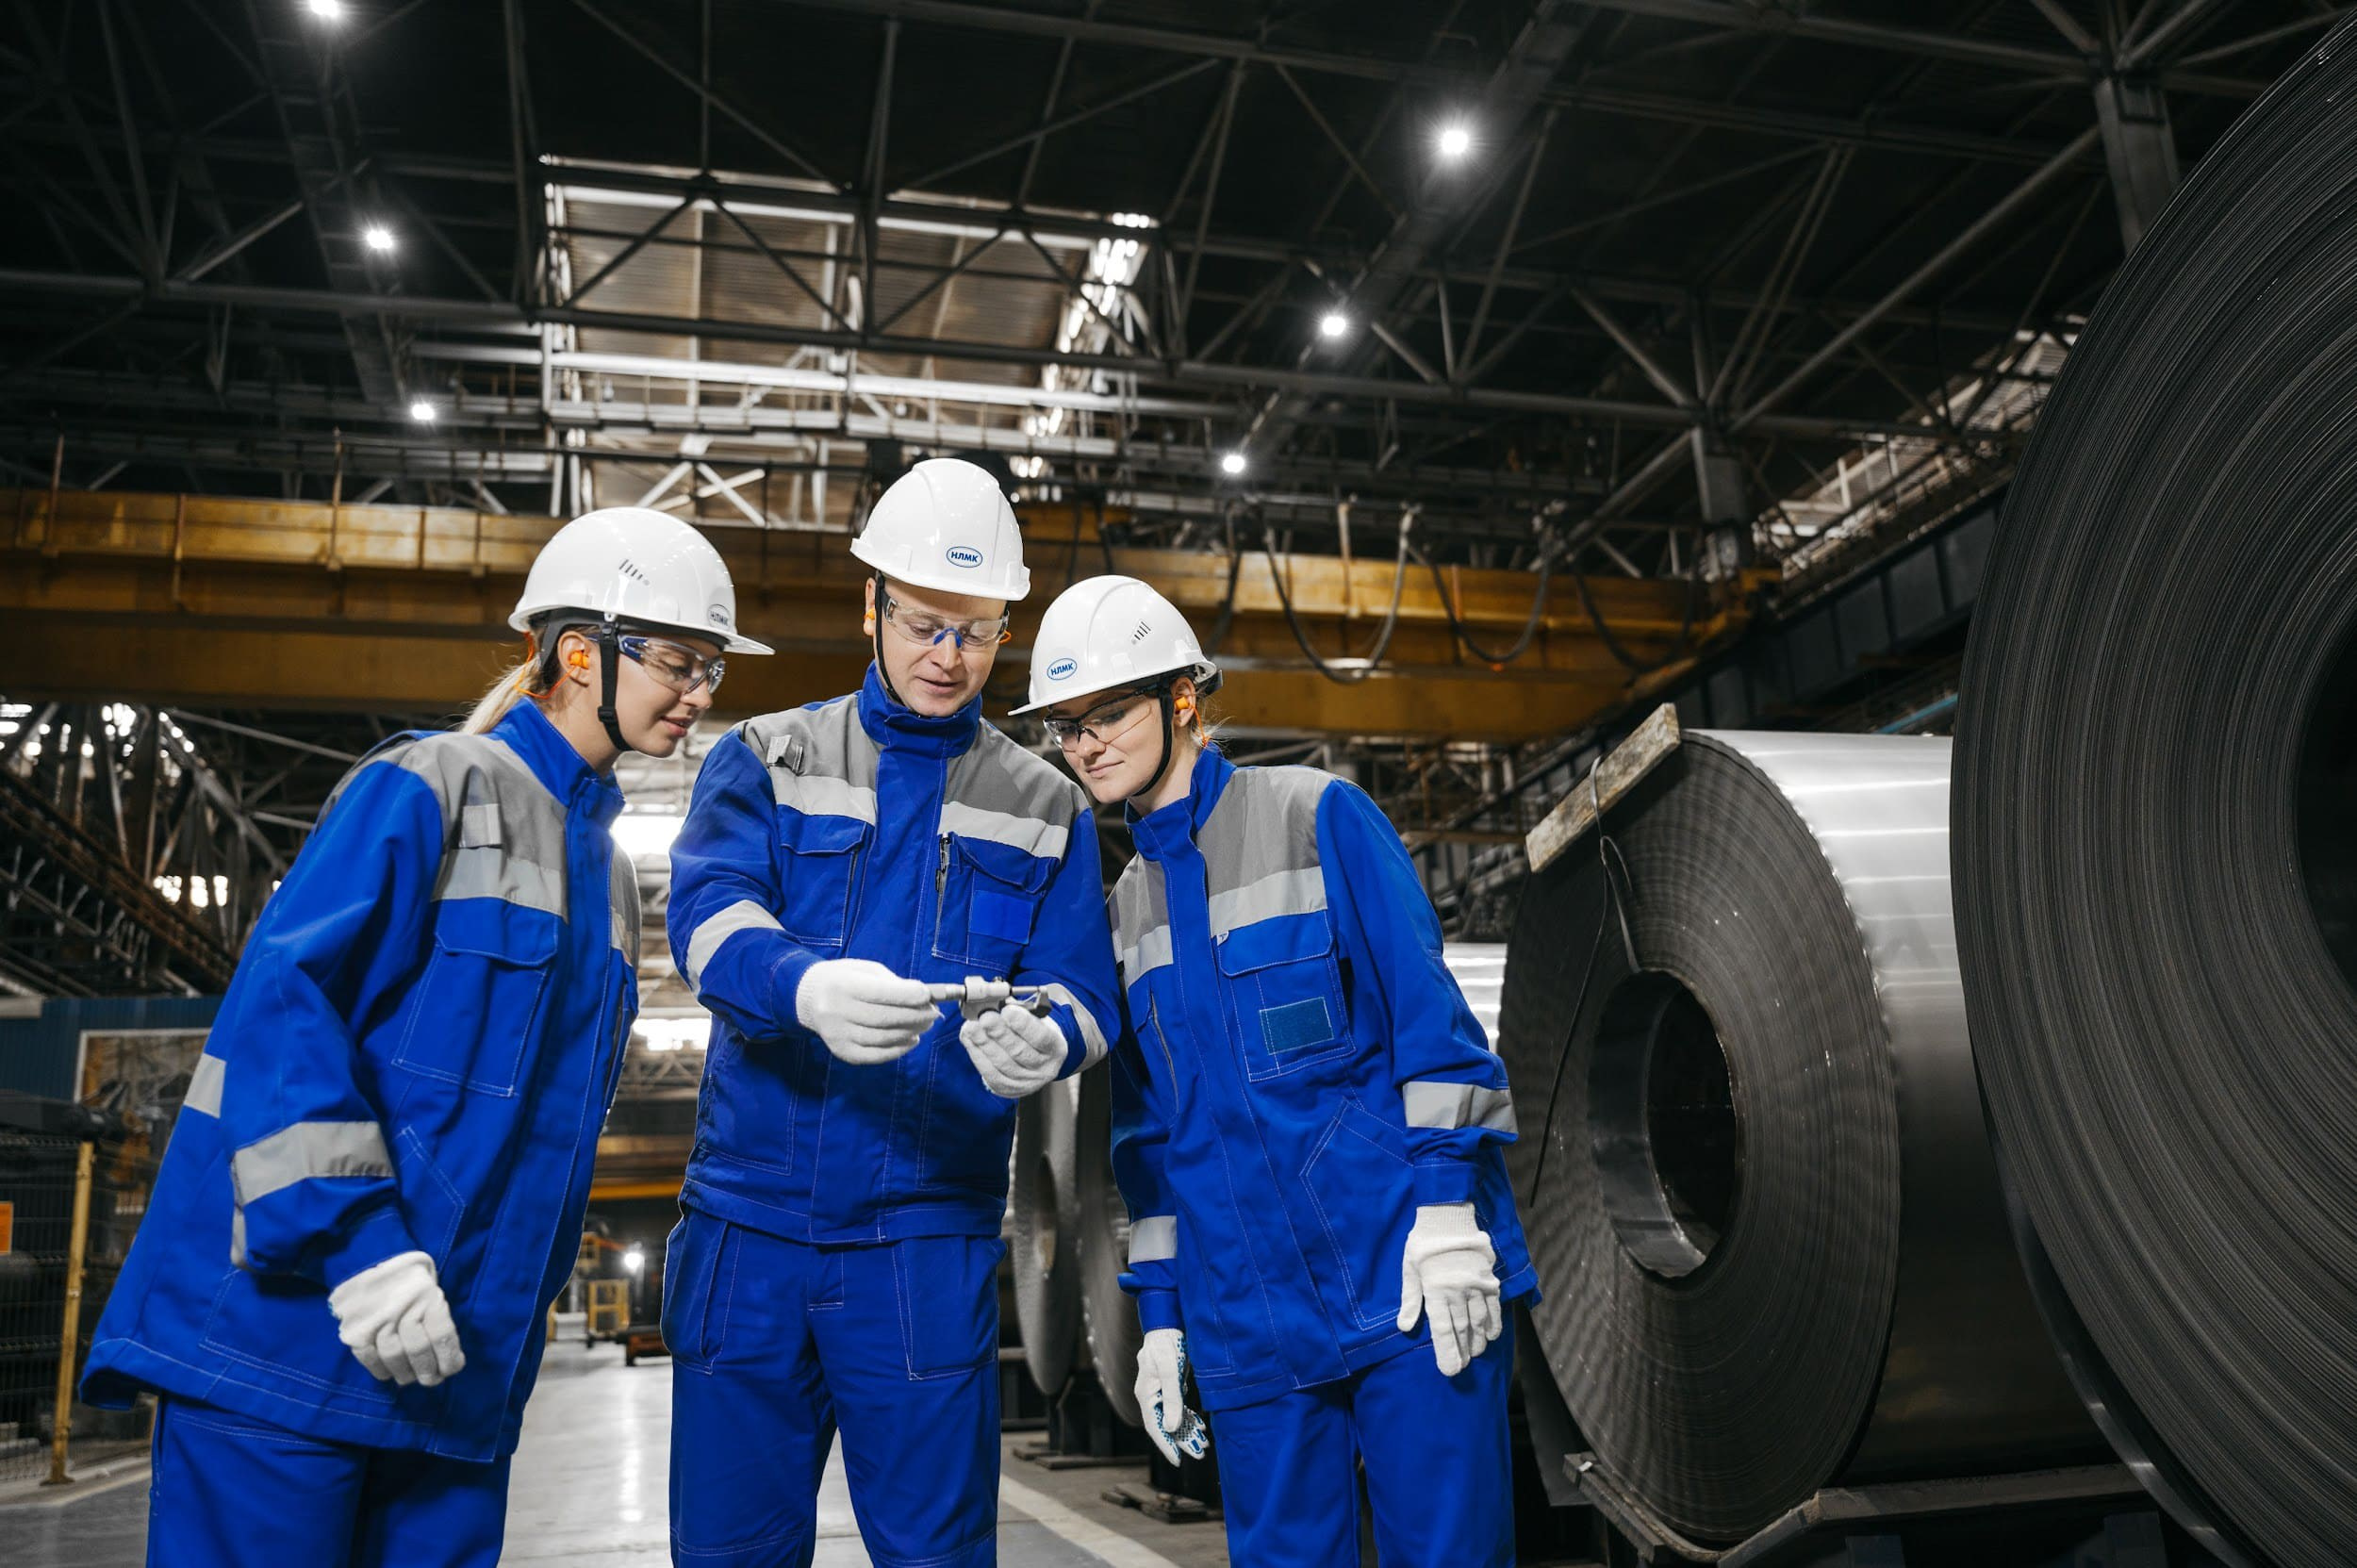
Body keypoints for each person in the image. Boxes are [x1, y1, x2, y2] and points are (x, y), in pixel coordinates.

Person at [81, 507, 769, 1568]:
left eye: (711, 669)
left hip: (454, 1373)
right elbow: (282, 1017)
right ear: (577, 653)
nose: (701, 694)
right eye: (678, 663)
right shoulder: (432, 785)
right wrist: (361, 1252)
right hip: (295, 1340)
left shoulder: (605, 874)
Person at [1017, 574, 1535, 1568]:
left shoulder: (1317, 816)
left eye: (1109, 712)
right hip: (1246, 1320)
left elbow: (1434, 1028)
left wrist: (1445, 1216)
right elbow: (1148, 1145)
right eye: (1066, 725)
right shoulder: (1123, 913)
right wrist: (1160, 1321)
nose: (1085, 744)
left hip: (1404, 1276)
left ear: (1182, 699)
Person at [664, 457, 1121, 1568]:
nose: (947, 657)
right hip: (750, 1225)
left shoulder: (1046, 803)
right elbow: (708, 916)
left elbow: (1082, 987)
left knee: (936, 1554)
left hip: (921, 1235)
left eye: (977, 632)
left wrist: (1047, 1037)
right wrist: (800, 985)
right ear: (868, 603)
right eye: (923, 624)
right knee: (729, 1551)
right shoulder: (766, 756)